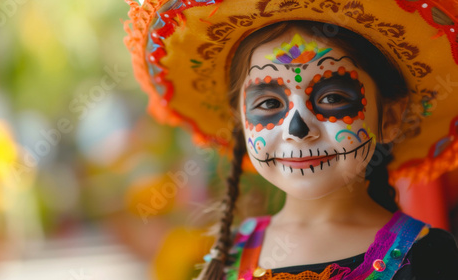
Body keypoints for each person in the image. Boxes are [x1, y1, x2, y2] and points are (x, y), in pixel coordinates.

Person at [123, 0, 458, 279]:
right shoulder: (227, 257)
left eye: (331, 99)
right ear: (240, 123)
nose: (297, 129)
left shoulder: (429, 257)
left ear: (390, 118)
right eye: (269, 104)